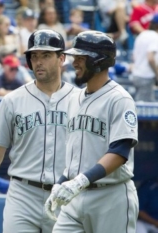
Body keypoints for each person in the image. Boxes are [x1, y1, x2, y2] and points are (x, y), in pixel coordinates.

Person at [0, 29, 78, 233]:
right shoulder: (12, 100)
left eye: (46, 55)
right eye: (34, 56)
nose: (38, 62)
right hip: (23, 194)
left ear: (61, 58)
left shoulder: (81, 100)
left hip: (66, 195)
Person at [44, 31, 139, 233]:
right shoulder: (73, 99)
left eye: (81, 57)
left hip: (111, 197)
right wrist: (60, 184)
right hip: (75, 197)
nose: (75, 62)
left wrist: (80, 181)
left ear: (98, 61)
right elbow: (76, 154)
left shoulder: (119, 99)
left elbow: (120, 151)